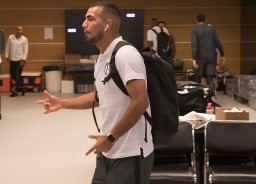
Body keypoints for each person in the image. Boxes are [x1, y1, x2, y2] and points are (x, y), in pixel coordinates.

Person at [36, 2, 154, 184]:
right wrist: (62, 103)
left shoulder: (125, 54)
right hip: (107, 148)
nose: (84, 24)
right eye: (85, 19)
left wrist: (111, 137)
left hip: (130, 152)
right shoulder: (102, 58)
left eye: (90, 19)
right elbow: (98, 97)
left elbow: (140, 101)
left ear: (108, 24)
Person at [191, 13, 225, 101]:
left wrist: (194, 58)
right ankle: (212, 97)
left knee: (198, 77)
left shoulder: (195, 30)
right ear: (204, 20)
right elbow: (218, 42)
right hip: (211, 57)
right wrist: (222, 54)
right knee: (210, 77)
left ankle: (197, 98)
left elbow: (194, 46)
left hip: (200, 57)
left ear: (196, 20)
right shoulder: (211, 29)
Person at [5, 26, 29, 97]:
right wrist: (6, 56)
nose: (21, 32)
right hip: (12, 59)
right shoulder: (11, 37)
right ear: (16, 30)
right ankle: (22, 87)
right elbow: (7, 47)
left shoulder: (24, 39)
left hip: (20, 60)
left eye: (22, 30)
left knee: (18, 75)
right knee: (13, 75)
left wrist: (23, 59)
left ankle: (15, 91)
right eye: (19, 30)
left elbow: (26, 50)